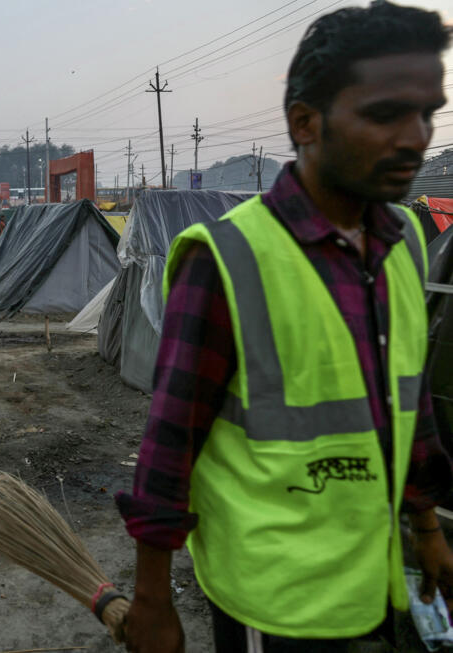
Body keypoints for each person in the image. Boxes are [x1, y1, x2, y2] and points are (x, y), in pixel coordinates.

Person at [118, 4, 453, 651]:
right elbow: (168, 445)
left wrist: (427, 525)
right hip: (273, 605)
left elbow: (406, 401)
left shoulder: (405, 242)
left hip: (373, 578)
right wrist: (152, 600)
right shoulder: (226, 260)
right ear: (304, 122)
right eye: (385, 113)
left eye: (427, 113)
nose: (415, 137)